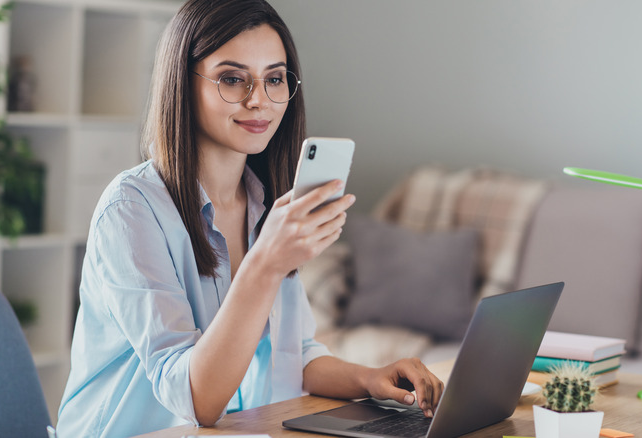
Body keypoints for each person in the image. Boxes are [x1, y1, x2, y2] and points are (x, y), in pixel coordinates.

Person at [56, 0, 443, 436]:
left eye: (274, 79)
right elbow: (195, 399)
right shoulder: (131, 210)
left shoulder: (266, 204)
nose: (259, 100)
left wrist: (369, 379)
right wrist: (267, 263)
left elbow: (293, 354)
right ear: (182, 84)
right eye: (232, 79)